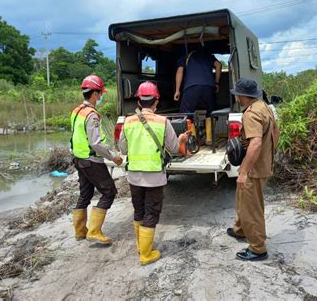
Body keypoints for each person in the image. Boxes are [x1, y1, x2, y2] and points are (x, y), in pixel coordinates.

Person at [119, 81, 187, 265]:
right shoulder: (163, 122)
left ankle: (141, 246)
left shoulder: (128, 121)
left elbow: (122, 148)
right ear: (156, 101)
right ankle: (146, 254)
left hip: (133, 176)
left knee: (139, 210)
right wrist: (181, 139)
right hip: (155, 176)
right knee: (151, 212)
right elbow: (173, 148)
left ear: (139, 102)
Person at [227, 78, 280, 261]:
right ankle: (240, 230)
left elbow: (255, 144)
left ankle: (258, 248)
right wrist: (270, 153)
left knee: (252, 208)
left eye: (237, 95)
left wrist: (243, 172)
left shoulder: (251, 114)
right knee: (243, 198)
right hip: (262, 163)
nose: (237, 98)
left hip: (254, 169)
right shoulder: (264, 106)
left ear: (242, 96)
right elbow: (276, 132)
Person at [71, 75, 123, 245]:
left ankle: (80, 232)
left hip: (78, 159)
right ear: (94, 93)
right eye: (100, 93)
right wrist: (113, 156)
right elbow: (95, 143)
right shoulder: (92, 115)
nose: (101, 97)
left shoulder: (76, 111)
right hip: (91, 160)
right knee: (109, 192)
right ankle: (94, 231)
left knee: (85, 194)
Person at [173, 48, 222, 145]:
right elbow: (219, 65)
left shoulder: (186, 56)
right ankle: (209, 139)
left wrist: (177, 90)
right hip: (208, 86)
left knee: (186, 114)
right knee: (211, 111)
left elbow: (180, 71)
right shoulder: (208, 55)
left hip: (191, 87)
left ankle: (193, 139)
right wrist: (216, 83)